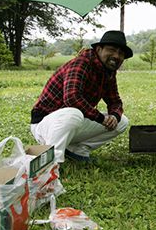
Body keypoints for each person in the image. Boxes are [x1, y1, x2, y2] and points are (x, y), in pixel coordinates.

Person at [30, 30, 132, 164]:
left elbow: (115, 101)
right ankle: (52, 162)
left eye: (121, 53)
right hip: (45, 122)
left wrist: (114, 116)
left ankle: (77, 151)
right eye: (112, 50)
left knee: (121, 122)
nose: (116, 56)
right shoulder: (81, 63)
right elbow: (71, 98)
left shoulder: (109, 72)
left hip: (72, 121)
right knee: (74, 113)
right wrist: (101, 118)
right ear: (99, 49)